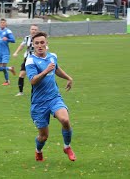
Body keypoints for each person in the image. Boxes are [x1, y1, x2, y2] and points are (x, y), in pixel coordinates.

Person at [25, 31, 76, 162]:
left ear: (47, 43)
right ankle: (38, 150)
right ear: (33, 45)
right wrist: (45, 71)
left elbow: (56, 69)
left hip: (54, 98)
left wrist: (68, 78)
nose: (40, 45)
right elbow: (33, 80)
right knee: (43, 136)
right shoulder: (30, 61)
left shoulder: (52, 56)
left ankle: (67, 147)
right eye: (37, 43)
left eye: (42, 42)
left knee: (65, 120)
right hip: (39, 103)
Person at [12, 24, 39, 96]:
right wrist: (16, 52)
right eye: (32, 29)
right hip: (27, 59)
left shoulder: (40, 39)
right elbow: (21, 46)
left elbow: (45, 48)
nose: (34, 31)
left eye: (35, 29)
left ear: (37, 31)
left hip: (36, 60)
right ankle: (20, 92)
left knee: (35, 77)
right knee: (21, 75)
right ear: (30, 30)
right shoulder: (27, 38)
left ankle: (37, 92)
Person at [0, 18, 16, 86]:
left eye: (4, 22)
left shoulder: (8, 31)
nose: (2, 24)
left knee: (3, 67)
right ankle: (10, 68)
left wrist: (7, 39)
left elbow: (13, 40)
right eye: (1, 22)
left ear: (6, 24)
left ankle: (7, 81)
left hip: (5, 53)